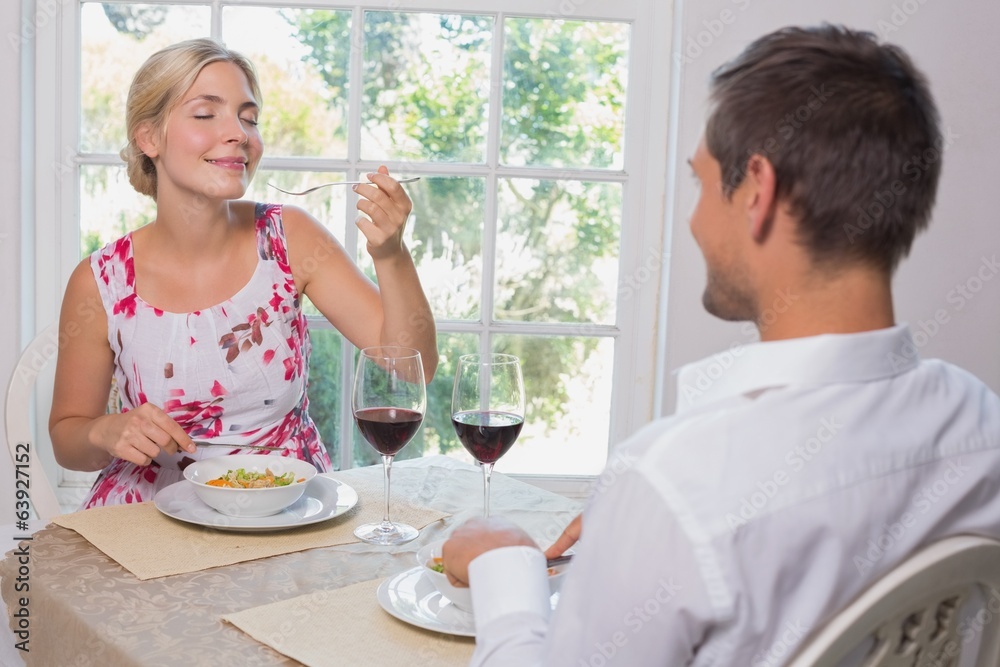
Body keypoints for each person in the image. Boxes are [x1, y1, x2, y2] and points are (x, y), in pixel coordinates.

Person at [442, 24, 1000, 665]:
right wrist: (646, 540)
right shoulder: (981, 422)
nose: (695, 219)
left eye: (703, 184)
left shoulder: (678, 480)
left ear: (757, 191)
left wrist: (505, 566)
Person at [49, 38, 438, 508]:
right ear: (149, 137)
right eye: (205, 113)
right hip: (147, 516)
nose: (238, 133)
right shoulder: (100, 280)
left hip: (287, 510)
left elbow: (412, 366)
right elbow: (68, 441)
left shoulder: (288, 238)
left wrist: (392, 255)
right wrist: (105, 431)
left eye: (248, 118)